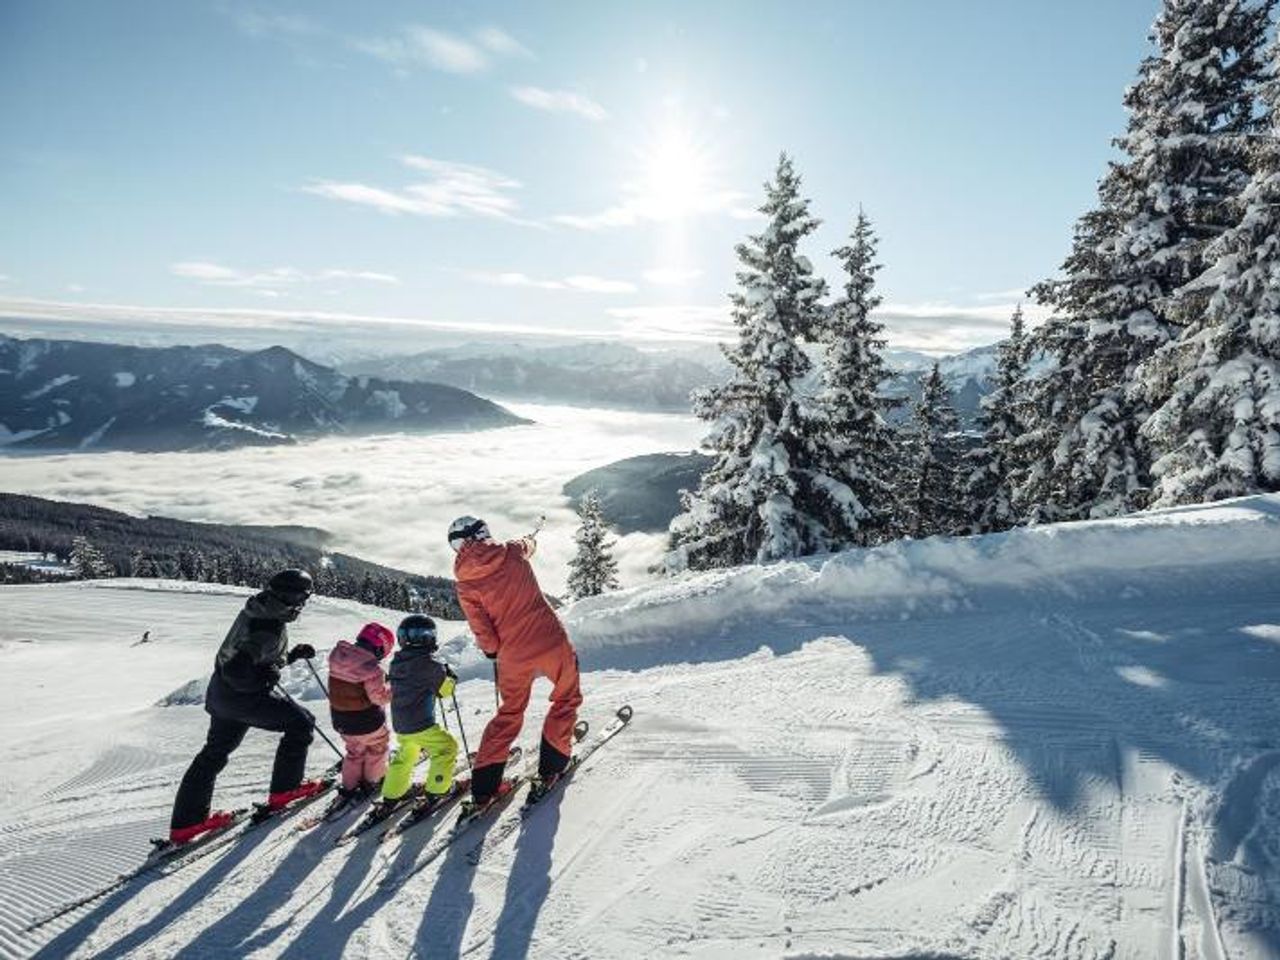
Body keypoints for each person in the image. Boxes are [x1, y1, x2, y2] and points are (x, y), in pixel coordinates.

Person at [167, 568, 325, 844]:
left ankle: (187, 823)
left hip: (221, 695)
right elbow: (240, 671)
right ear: (294, 597)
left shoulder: (260, 609)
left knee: (213, 754)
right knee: (302, 723)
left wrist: (288, 657)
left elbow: (251, 657)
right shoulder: (269, 625)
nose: (304, 603)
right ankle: (284, 791)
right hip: (242, 697)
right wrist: (264, 677)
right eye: (303, 597)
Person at [449, 516, 583, 804]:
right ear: (483, 533)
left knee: (509, 713)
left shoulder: (465, 585)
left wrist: (493, 651)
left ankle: (484, 787)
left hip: (512, 654)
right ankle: (553, 766)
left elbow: (483, 630)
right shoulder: (511, 551)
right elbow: (528, 544)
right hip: (550, 640)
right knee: (566, 697)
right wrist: (531, 539)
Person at [370, 614, 459, 816]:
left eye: (423, 634)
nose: (420, 638)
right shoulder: (430, 664)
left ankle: (393, 794)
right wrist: (451, 678)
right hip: (422, 724)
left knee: (407, 753)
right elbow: (444, 691)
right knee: (446, 748)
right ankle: (437, 791)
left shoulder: (396, 662)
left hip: (402, 724)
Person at [327, 621, 394, 798]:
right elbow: (379, 697)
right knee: (377, 748)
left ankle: (349, 785)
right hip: (367, 722)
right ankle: (373, 780)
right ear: (380, 648)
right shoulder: (372, 669)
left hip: (341, 720)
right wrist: (391, 687)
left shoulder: (337, 658)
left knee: (354, 751)